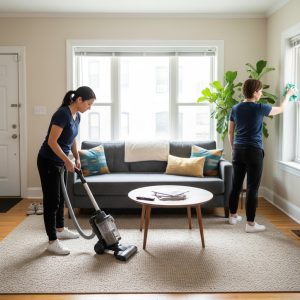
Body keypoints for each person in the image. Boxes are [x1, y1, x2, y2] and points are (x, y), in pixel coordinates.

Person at [228, 79, 294, 233]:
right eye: (261, 90)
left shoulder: (235, 108)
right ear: (255, 92)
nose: (262, 93)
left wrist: (233, 148)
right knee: (252, 187)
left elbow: (231, 132)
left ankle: (233, 216)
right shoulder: (259, 108)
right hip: (253, 151)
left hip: (238, 149)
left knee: (236, 184)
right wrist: (289, 95)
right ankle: (250, 224)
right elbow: (281, 109)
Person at [37, 86, 96, 254]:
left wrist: (76, 157)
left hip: (60, 161)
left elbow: (72, 138)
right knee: (51, 201)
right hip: (48, 161)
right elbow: (52, 142)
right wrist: (66, 160)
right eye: (89, 104)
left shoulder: (77, 116)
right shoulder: (62, 114)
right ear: (79, 100)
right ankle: (52, 241)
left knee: (61, 197)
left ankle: (60, 230)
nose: (89, 107)